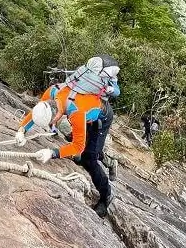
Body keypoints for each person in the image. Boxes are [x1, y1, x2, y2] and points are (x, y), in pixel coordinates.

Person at [15, 55, 120, 217]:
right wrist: (21, 130)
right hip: (86, 112)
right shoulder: (53, 91)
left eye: (52, 122)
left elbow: (78, 146)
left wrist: (53, 153)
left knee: (88, 159)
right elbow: (36, 112)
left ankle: (106, 197)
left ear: (57, 115)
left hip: (101, 118)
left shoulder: (76, 113)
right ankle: (103, 156)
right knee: (84, 150)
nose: (52, 125)